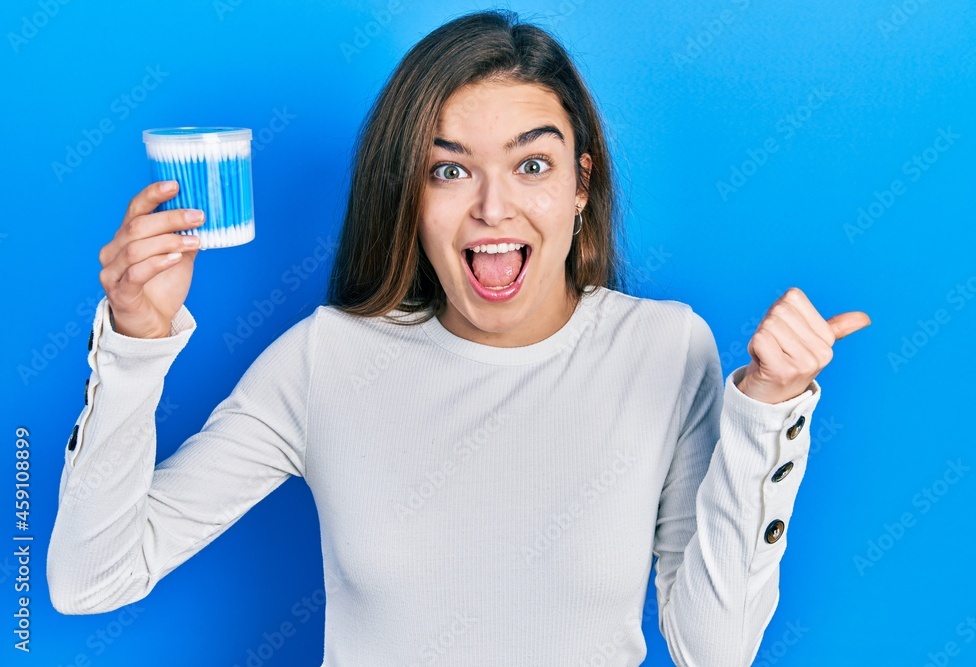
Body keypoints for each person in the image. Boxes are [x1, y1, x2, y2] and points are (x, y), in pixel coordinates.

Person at [47, 9, 870, 667]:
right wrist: (134, 342)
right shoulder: (326, 359)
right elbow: (90, 579)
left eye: (532, 165)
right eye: (448, 169)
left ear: (582, 184)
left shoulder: (663, 348)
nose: (491, 207)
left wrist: (769, 412)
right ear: (408, 192)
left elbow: (713, 650)